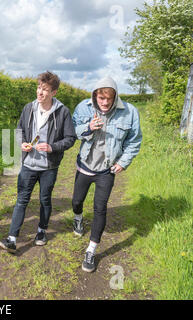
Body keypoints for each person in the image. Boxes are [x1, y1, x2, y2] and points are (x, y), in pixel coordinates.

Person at [0, 71, 76, 253]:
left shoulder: (62, 112)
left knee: (44, 199)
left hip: (49, 166)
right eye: (39, 88)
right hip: (28, 165)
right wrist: (22, 143)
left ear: (54, 92)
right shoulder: (28, 108)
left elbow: (71, 138)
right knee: (21, 200)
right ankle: (12, 238)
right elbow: (19, 131)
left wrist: (52, 147)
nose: (40, 92)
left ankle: (41, 231)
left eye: (45, 89)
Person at [71, 76, 142, 272]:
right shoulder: (83, 108)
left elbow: (134, 141)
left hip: (107, 169)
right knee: (77, 201)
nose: (104, 102)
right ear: (95, 95)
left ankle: (91, 250)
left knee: (100, 208)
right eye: (101, 98)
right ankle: (77, 219)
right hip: (85, 165)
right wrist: (88, 127)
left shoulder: (129, 112)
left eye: (108, 99)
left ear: (114, 97)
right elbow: (72, 131)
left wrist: (123, 162)